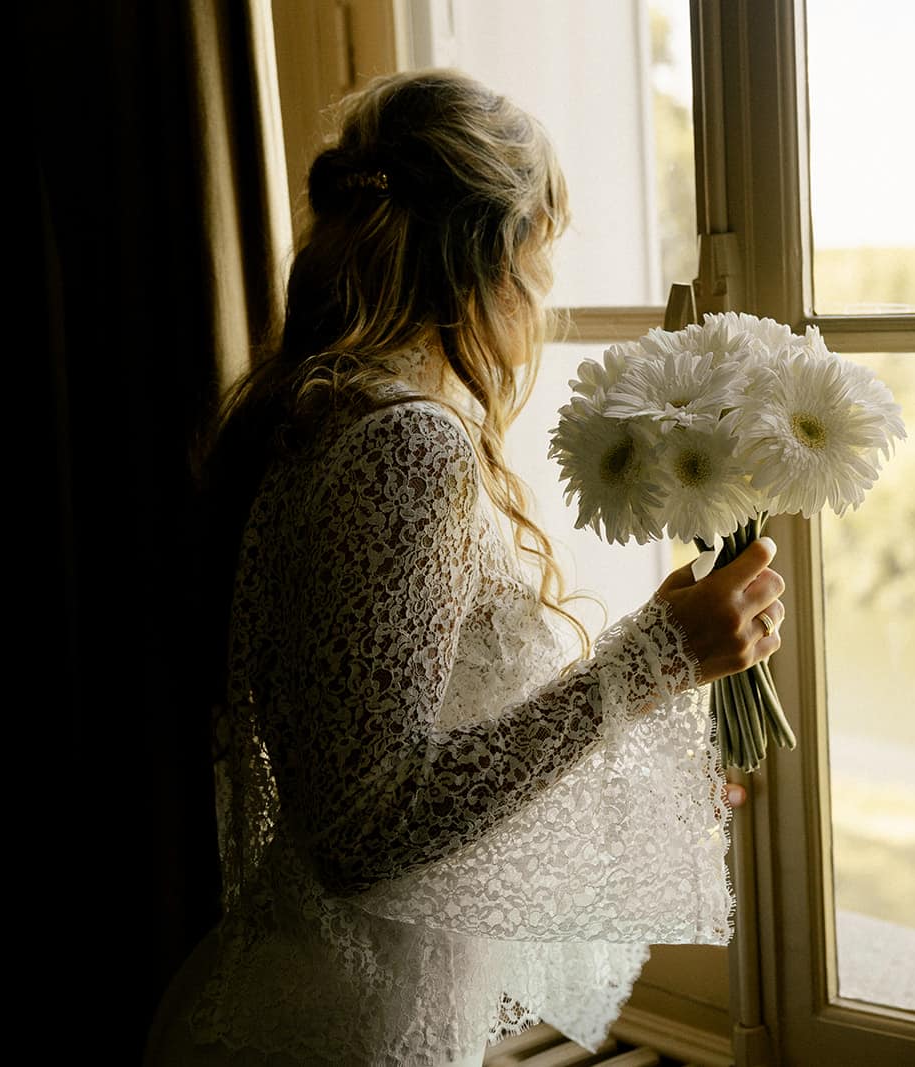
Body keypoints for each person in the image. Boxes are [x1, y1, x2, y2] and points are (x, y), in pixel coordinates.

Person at [144, 69, 782, 1066]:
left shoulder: (317, 415)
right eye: (544, 249)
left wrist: (657, 692)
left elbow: (408, 743)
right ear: (494, 252)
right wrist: (655, 655)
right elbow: (366, 826)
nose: (548, 290)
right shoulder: (403, 446)